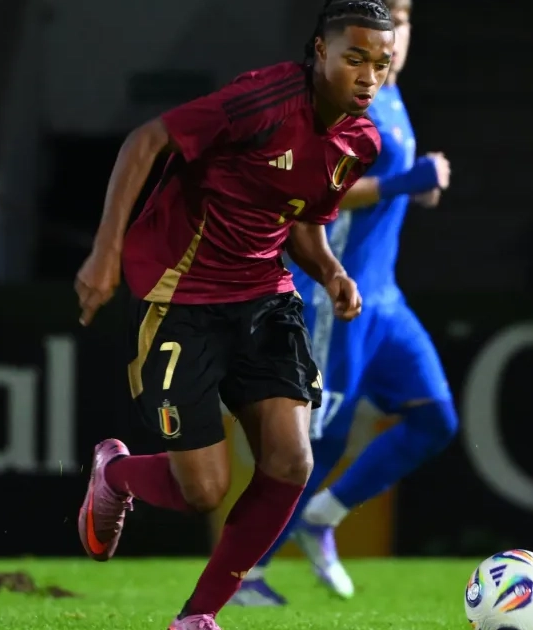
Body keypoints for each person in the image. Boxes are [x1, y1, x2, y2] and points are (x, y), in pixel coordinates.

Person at [71, 1, 394, 628]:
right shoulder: (264, 99)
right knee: (203, 491)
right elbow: (146, 140)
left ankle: (197, 617)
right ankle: (116, 475)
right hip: (182, 294)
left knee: (291, 461)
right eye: (354, 58)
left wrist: (331, 272)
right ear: (320, 52)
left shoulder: (360, 142)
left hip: (265, 297)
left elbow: (301, 217)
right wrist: (105, 253)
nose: (367, 76)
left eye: (379, 64)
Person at [230, 0, 457, 606]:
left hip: (386, 299)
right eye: (386, 21)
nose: (395, 34)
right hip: (339, 299)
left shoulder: (391, 96)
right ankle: (242, 574)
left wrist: (413, 189)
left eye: (403, 21)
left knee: (435, 420)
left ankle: (322, 516)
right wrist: (406, 182)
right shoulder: (343, 98)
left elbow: (377, 183)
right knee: (313, 441)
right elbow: (314, 191)